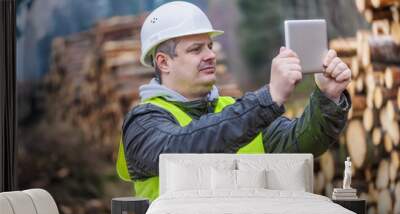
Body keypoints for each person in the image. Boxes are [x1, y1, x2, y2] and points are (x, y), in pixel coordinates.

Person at [117, 1, 352, 201]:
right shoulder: (143, 123)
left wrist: (327, 97)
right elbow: (186, 148)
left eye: (209, 46)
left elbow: (303, 141)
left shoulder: (236, 111)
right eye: (196, 49)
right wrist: (269, 98)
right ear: (163, 62)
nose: (210, 54)